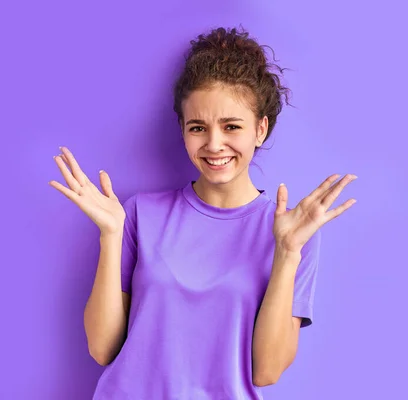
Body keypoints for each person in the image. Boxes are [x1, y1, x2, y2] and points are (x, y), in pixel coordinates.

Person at [49, 26, 357, 400]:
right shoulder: (139, 215)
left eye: (232, 126)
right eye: (198, 127)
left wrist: (288, 253)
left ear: (260, 129)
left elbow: (267, 370)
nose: (214, 144)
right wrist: (111, 236)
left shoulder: (292, 233)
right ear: (182, 130)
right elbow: (102, 348)